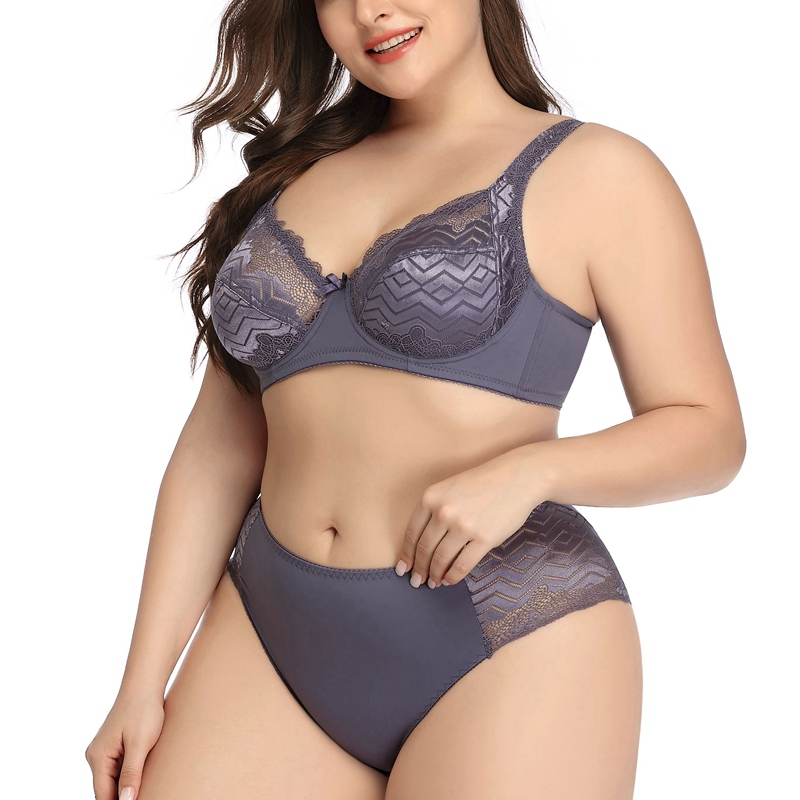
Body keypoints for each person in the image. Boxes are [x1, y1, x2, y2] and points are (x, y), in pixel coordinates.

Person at [85, 0, 746, 797]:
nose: (370, 10)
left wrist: (532, 472)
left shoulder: (598, 171)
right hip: (271, 632)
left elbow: (709, 433)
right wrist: (140, 683)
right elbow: (219, 449)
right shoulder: (291, 180)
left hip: (510, 636)